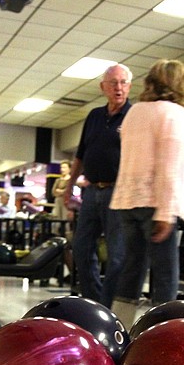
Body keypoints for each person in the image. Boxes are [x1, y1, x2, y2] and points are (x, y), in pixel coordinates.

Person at [109, 59, 184, 328]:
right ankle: (162, 332)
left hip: (126, 201)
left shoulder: (134, 112)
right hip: (155, 202)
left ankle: (118, 328)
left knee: (132, 268)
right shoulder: (174, 113)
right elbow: (170, 166)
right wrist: (167, 212)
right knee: (166, 274)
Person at [65, 64, 132, 307]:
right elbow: (80, 155)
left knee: (117, 256)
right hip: (91, 192)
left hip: (118, 192)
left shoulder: (133, 117)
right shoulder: (94, 116)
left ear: (129, 86)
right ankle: (93, 303)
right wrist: (69, 187)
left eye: (123, 82)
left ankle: (107, 308)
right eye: (113, 82)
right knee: (81, 249)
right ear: (103, 87)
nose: (118, 87)